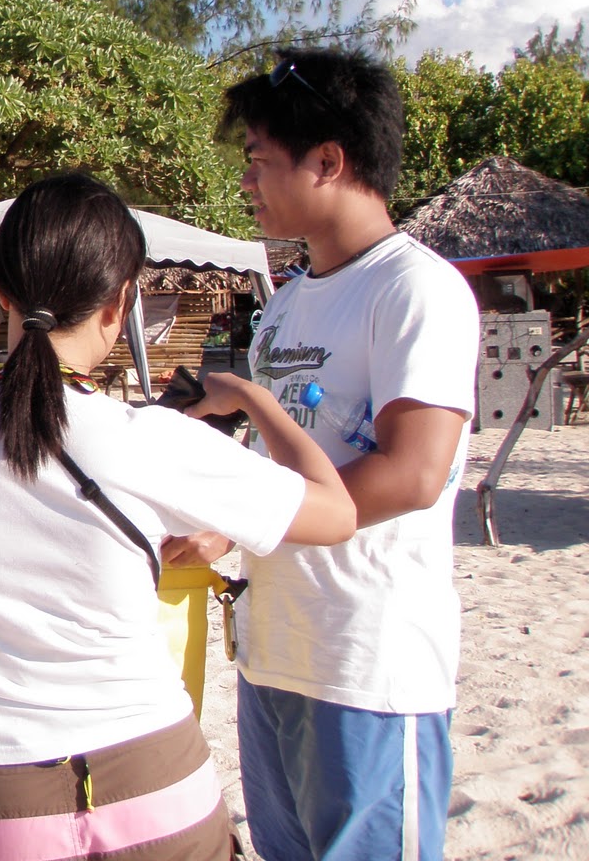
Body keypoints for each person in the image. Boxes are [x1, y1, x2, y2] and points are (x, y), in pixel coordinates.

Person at [0, 171, 356, 861]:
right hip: (157, 783)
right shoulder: (147, 438)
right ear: (122, 302)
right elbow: (336, 513)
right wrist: (253, 399)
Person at [166, 46, 480, 860]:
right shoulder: (285, 306)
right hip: (276, 650)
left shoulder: (417, 290)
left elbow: (414, 472)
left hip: (368, 660)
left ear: (329, 162)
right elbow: (280, 464)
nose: (247, 183)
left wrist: (241, 528)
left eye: (259, 163)